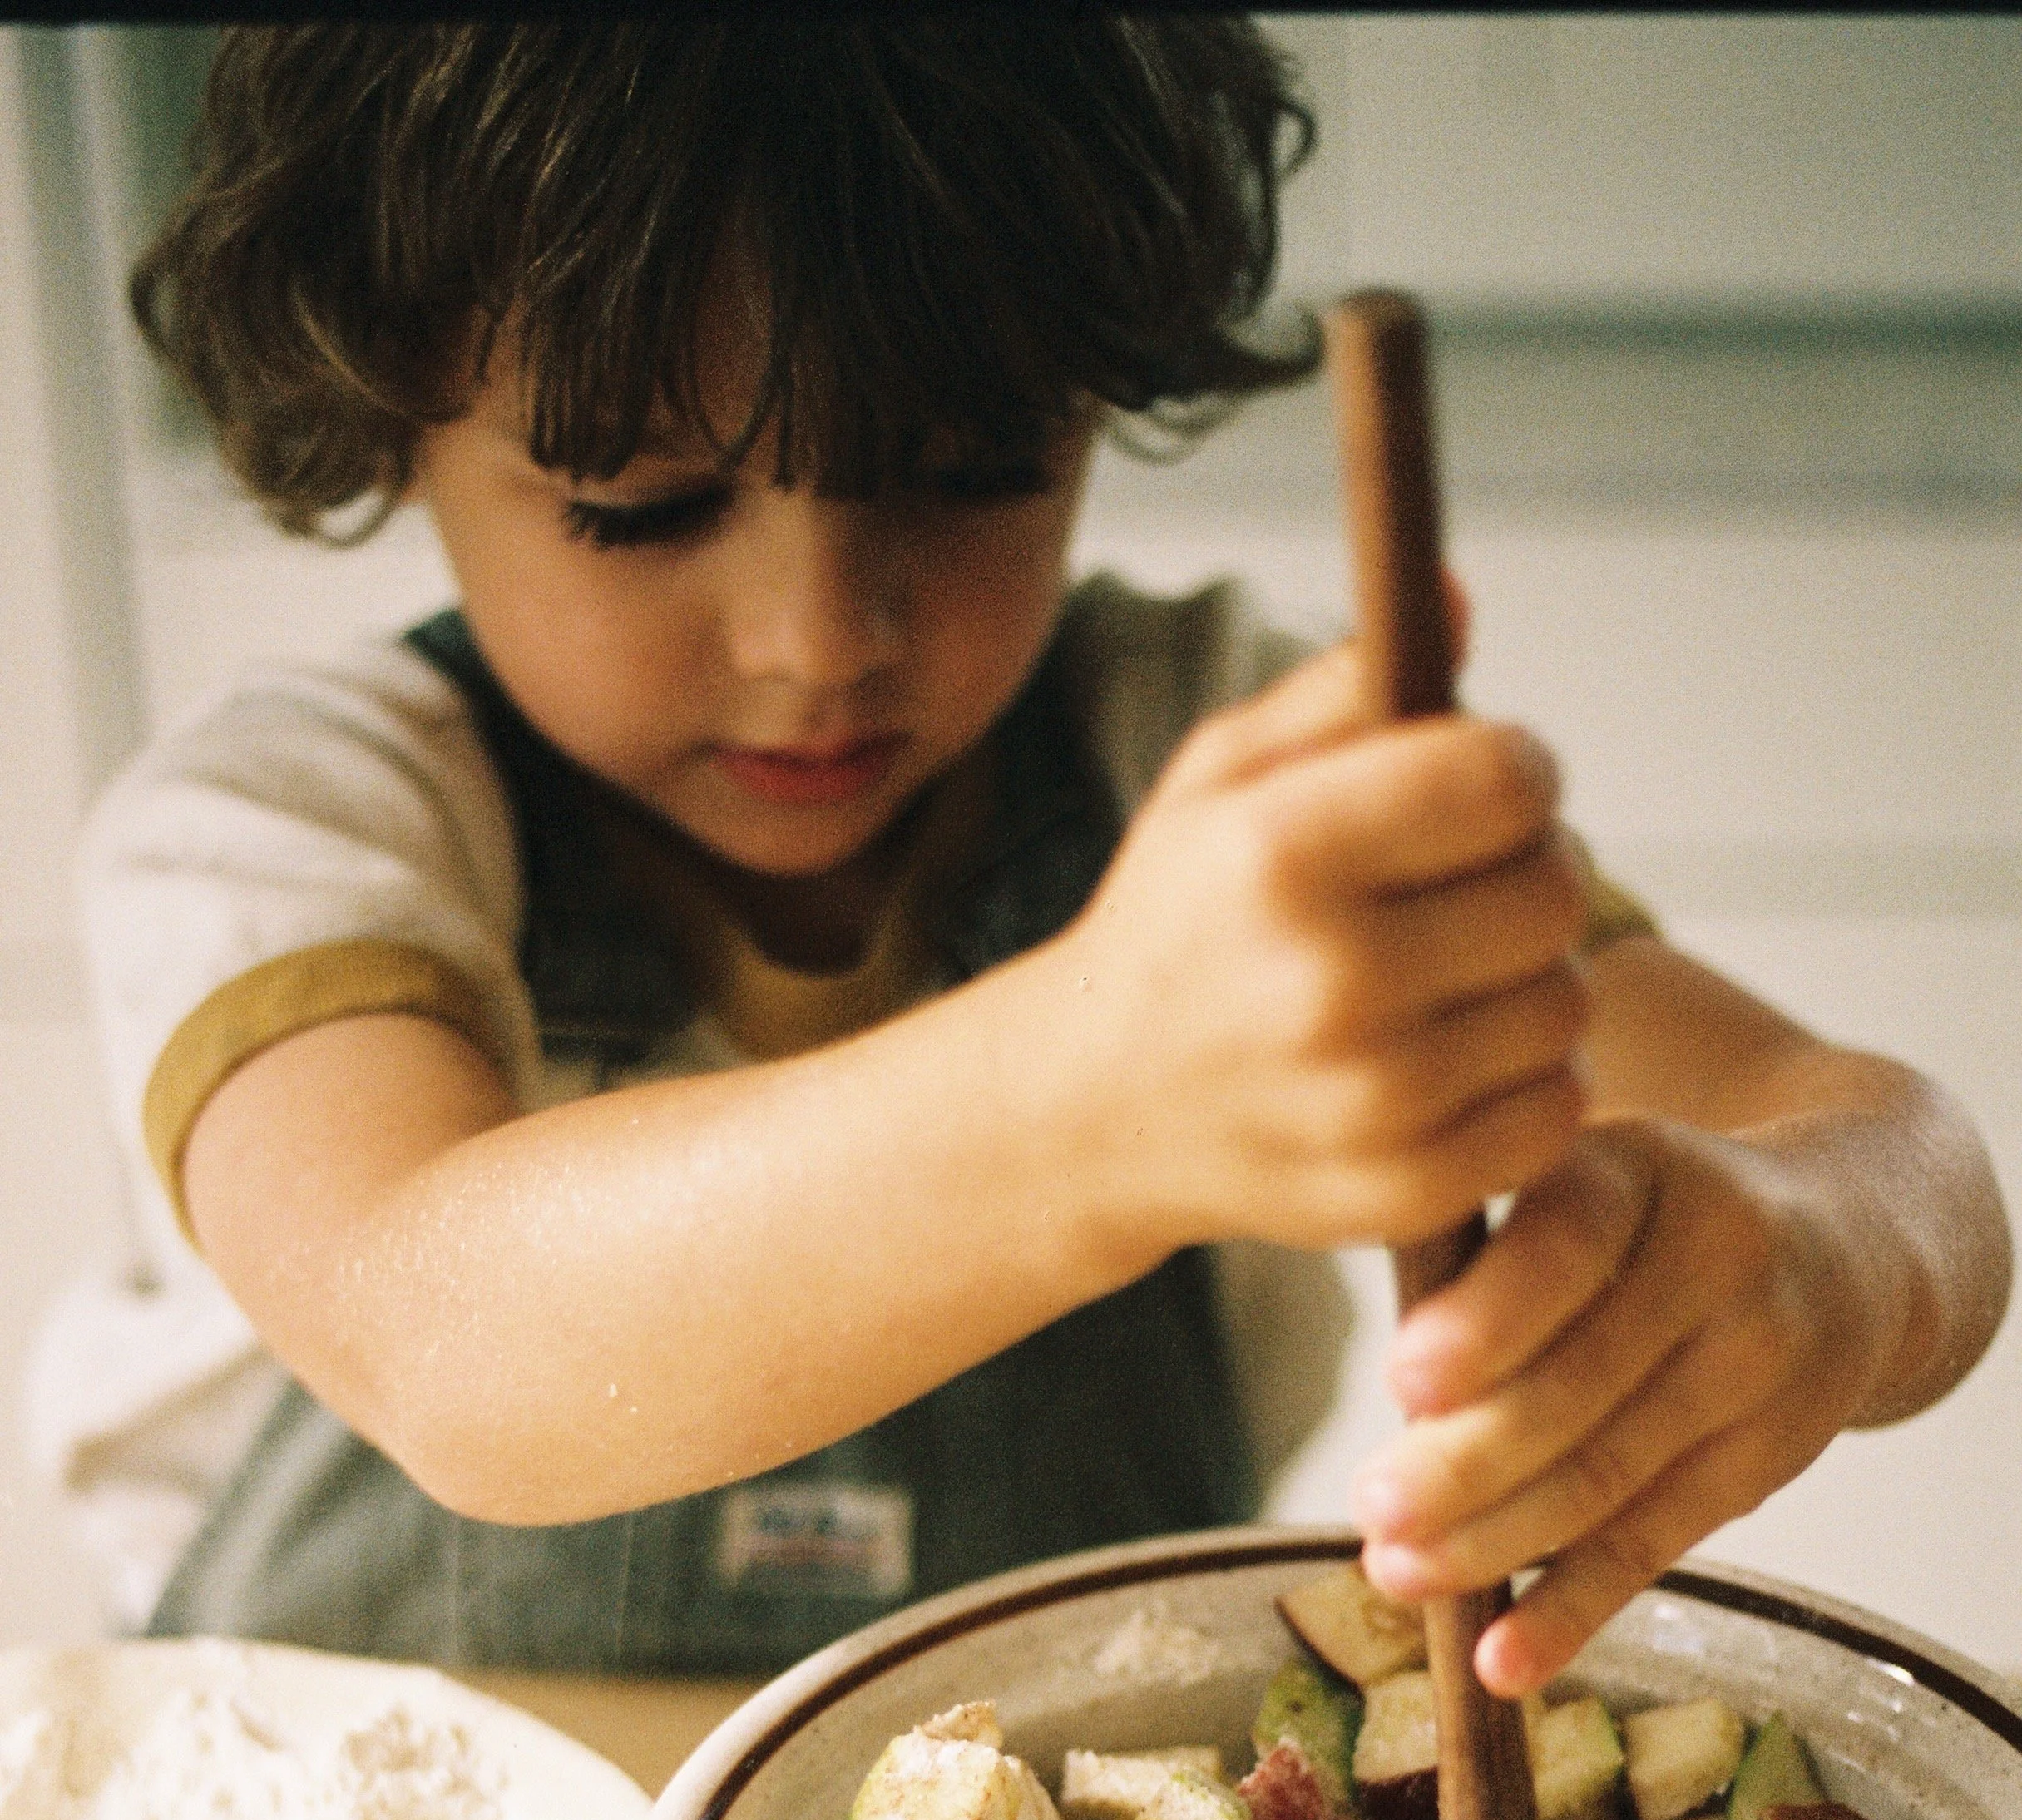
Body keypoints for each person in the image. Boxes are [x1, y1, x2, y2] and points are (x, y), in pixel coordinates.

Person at [45, 19, 2009, 1694]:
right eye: (640, 505)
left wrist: (1829, 1262)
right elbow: (440, 1335)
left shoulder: (1207, 756)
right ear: (389, 417)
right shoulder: (295, 829)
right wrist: (1094, 1102)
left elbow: (1881, 1142)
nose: (824, 635)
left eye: (975, 466)